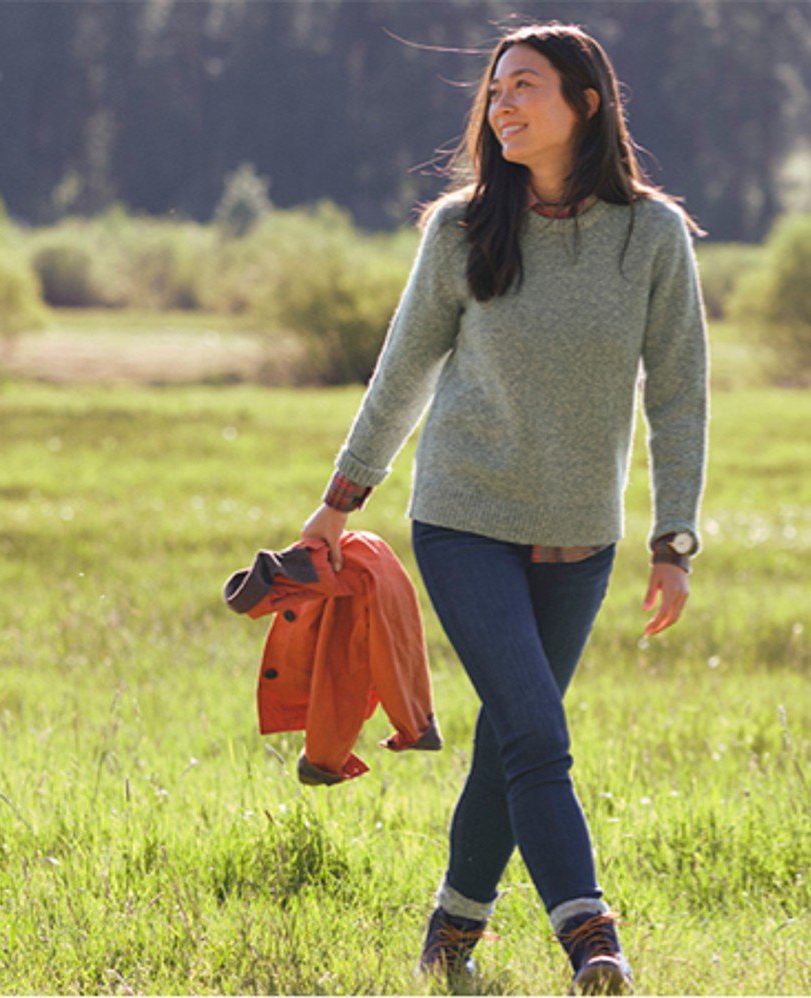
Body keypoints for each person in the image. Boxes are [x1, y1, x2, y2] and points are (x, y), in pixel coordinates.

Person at [299, 20, 708, 996]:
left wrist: (674, 537)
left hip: (581, 534)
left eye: (524, 86)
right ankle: (591, 937)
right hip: (463, 517)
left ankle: (453, 926)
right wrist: (338, 502)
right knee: (536, 730)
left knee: (513, 734)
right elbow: (402, 374)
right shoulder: (460, 228)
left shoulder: (651, 236)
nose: (502, 106)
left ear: (587, 103)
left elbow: (680, 392)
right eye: (494, 92)